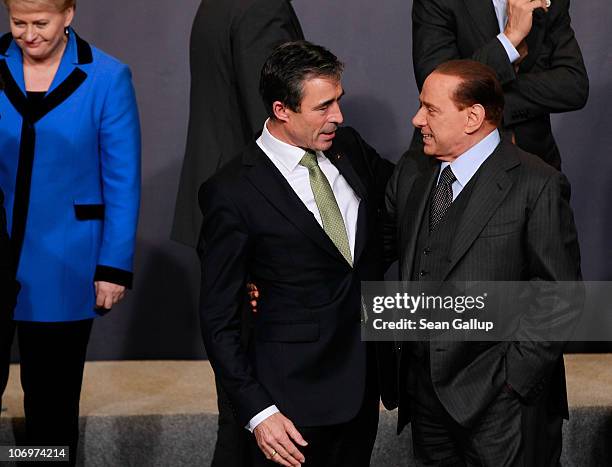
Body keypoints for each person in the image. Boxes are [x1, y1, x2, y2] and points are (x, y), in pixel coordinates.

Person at [199, 41, 395, 467]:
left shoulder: (350, 148)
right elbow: (219, 319)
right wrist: (258, 412)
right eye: (323, 107)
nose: (338, 117)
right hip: (288, 406)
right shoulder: (231, 191)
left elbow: (400, 205)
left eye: (338, 101)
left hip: (362, 388)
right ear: (281, 110)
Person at [384, 60, 581, 465]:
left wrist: (513, 382)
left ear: (473, 116)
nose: (417, 118)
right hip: (424, 400)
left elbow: (559, 295)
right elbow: (369, 250)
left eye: (431, 109)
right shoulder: (412, 173)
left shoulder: (536, 183)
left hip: (502, 405)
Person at [0, 0, 141, 463]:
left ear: (69, 14)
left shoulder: (107, 77)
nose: (28, 34)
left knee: (51, 403)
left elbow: (122, 178)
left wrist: (113, 266)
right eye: (17, 22)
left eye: (40, 23)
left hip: (66, 262)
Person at [171, 2, 303, 465]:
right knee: (256, 403)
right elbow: (271, 121)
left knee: (241, 402)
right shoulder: (259, 8)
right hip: (252, 219)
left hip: (227, 214)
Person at [411, 0, 588, 170]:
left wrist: (490, 102)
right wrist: (509, 40)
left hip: (535, 164)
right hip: (452, 161)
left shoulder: (549, 2)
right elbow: (437, 89)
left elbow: (573, 85)